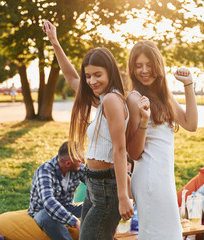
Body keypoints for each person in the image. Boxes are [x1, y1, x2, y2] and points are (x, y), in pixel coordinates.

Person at [43, 21, 133, 239]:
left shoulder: (111, 100)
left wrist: (123, 196)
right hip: (93, 181)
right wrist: (55, 41)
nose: (92, 81)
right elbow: (73, 77)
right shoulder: (102, 99)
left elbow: (120, 150)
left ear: (110, 72)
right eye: (89, 76)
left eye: (97, 75)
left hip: (106, 186)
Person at [126, 40, 198, 239]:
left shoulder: (163, 96)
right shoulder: (134, 98)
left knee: (167, 234)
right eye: (139, 66)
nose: (144, 70)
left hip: (164, 178)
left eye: (149, 65)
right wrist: (143, 120)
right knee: (163, 235)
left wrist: (188, 85)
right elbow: (133, 153)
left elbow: (191, 124)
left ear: (158, 66)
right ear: (132, 69)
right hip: (149, 178)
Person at [28, 141, 85, 240]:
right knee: (47, 217)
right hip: (42, 211)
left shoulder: (77, 167)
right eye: (80, 161)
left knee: (95, 206)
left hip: (67, 207)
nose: (83, 162)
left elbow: (94, 181)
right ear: (68, 163)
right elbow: (48, 202)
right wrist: (75, 222)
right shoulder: (45, 171)